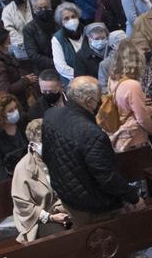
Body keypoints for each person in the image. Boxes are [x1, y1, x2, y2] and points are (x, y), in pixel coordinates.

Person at [42, 76, 140, 239]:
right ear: (88, 101)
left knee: (88, 241)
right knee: (108, 240)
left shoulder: (51, 115)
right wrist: (134, 197)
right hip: (93, 204)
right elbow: (106, 177)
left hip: (68, 195)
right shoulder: (91, 133)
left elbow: (47, 156)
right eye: (99, 97)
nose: (100, 101)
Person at [12, 115, 72, 242]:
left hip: (67, 209)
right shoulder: (23, 168)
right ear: (33, 146)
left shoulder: (61, 156)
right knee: (61, 238)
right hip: (39, 219)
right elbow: (24, 206)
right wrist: (51, 217)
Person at [0, 90, 30, 183]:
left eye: (15, 108)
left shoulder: (24, 120)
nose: (15, 112)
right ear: (0, 114)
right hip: (11, 174)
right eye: (10, 111)